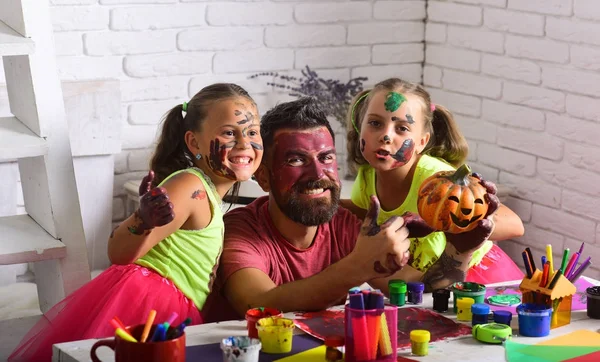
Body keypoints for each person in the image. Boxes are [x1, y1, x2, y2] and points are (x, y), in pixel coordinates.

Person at [9, 83, 264, 362]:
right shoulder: (190, 187)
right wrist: (143, 218)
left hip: (174, 307)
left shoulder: (205, 192)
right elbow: (119, 254)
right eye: (229, 132)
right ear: (194, 143)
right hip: (150, 304)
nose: (244, 143)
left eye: (252, 132)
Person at [202, 97, 426, 322]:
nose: (318, 175)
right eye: (296, 160)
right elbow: (258, 304)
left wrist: (458, 248)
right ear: (263, 178)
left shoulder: (342, 224)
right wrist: (358, 267)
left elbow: (412, 284)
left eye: (326, 158)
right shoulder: (239, 228)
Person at [342, 77, 524, 290]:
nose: (385, 135)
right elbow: (361, 213)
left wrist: (454, 222)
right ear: (359, 127)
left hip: (481, 279)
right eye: (375, 123)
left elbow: (515, 226)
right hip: (425, 286)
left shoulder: (437, 179)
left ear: (422, 142)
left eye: (401, 128)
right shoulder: (367, 174)